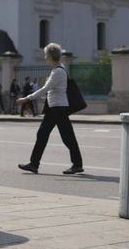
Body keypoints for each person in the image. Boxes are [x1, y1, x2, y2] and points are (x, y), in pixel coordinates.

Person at [16, 43, 84, 175]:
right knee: (51, 135)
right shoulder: (57, 69)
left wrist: (27, 98)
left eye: (46, 54)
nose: (45, 57)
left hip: (58, 108)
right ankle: (35, 164)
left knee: (62, 136)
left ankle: (75, 164)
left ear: (51, 56)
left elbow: (45, 89)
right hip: (56, 108)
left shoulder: (58, 71)